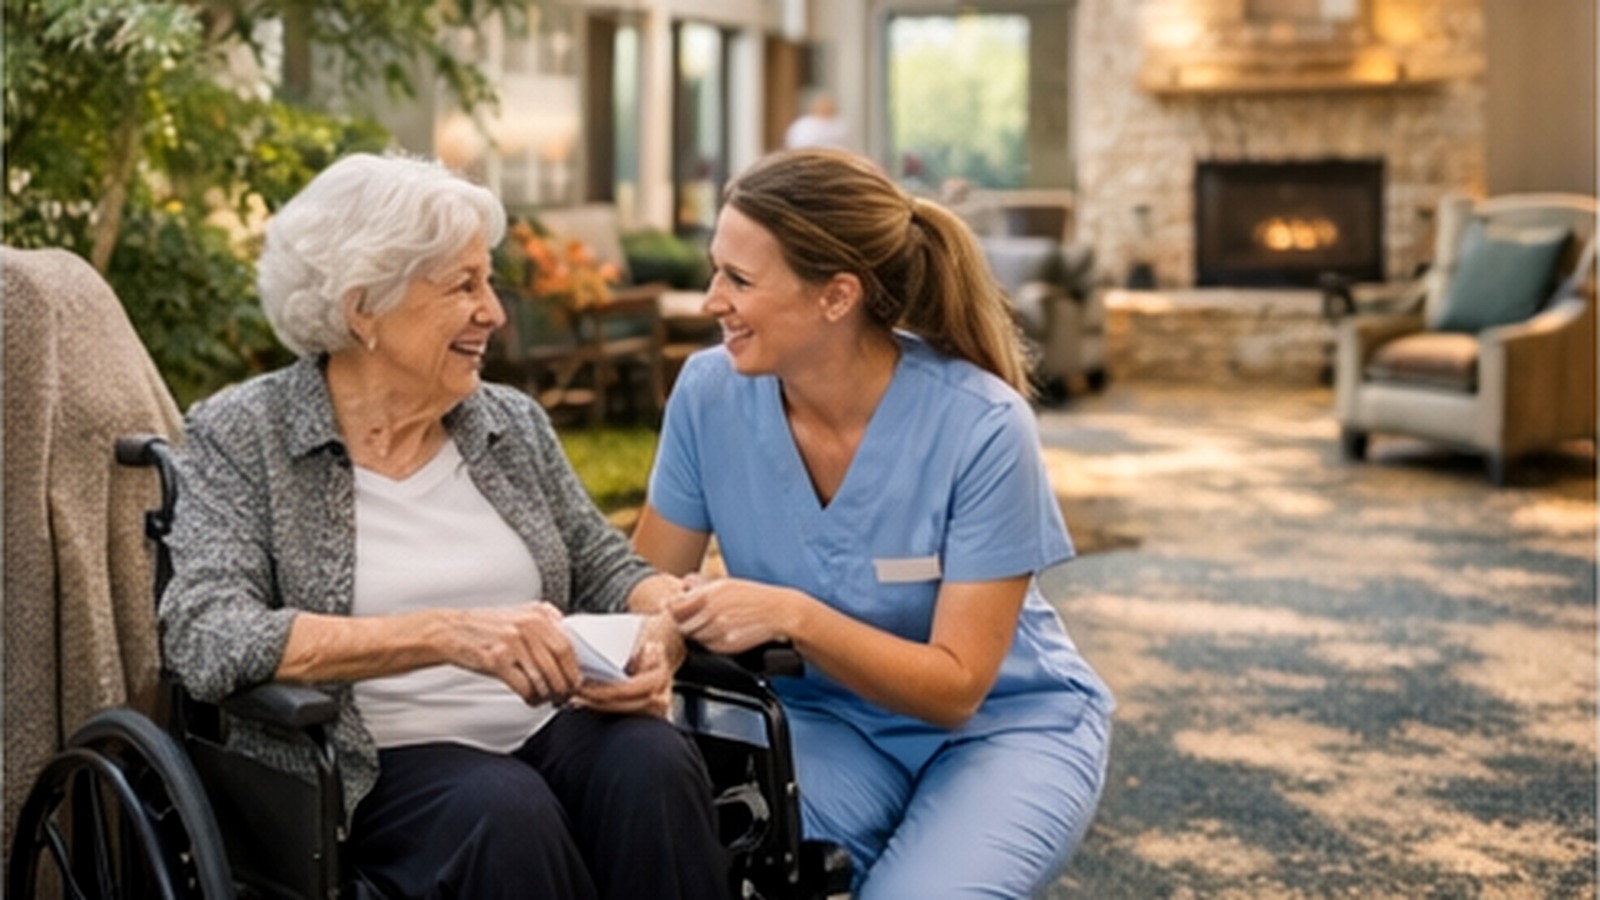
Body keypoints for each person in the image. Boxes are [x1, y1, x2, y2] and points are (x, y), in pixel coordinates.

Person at [159, 152, 729, 900]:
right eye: (464, 286)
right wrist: (444, 634)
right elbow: (207, 633)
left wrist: (660, 633)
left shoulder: (508, 424)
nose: (494, 312)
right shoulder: (246, 434)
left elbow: (609, 567)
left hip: (544, 728)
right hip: (366, 768)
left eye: (488, 283)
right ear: (363, 308)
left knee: (653, 759)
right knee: (503, 809)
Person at [633, 147, 1114, 899]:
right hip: (826, 721)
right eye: (714, 271)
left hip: (1001, 726)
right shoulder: (708, 393)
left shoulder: (984, 426)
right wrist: (664, 623)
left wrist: (793, 616)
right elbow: (646, 578)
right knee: (710, 860)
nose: (711, 301)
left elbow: (957, 687)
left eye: (739, 280)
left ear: (837, 296)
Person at [783, 90, 852, 151]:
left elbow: (847, 146)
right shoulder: (803, 124)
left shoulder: (841, 126)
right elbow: (794, 143)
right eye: (822, 105)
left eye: (827, 106)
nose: (825, 108)